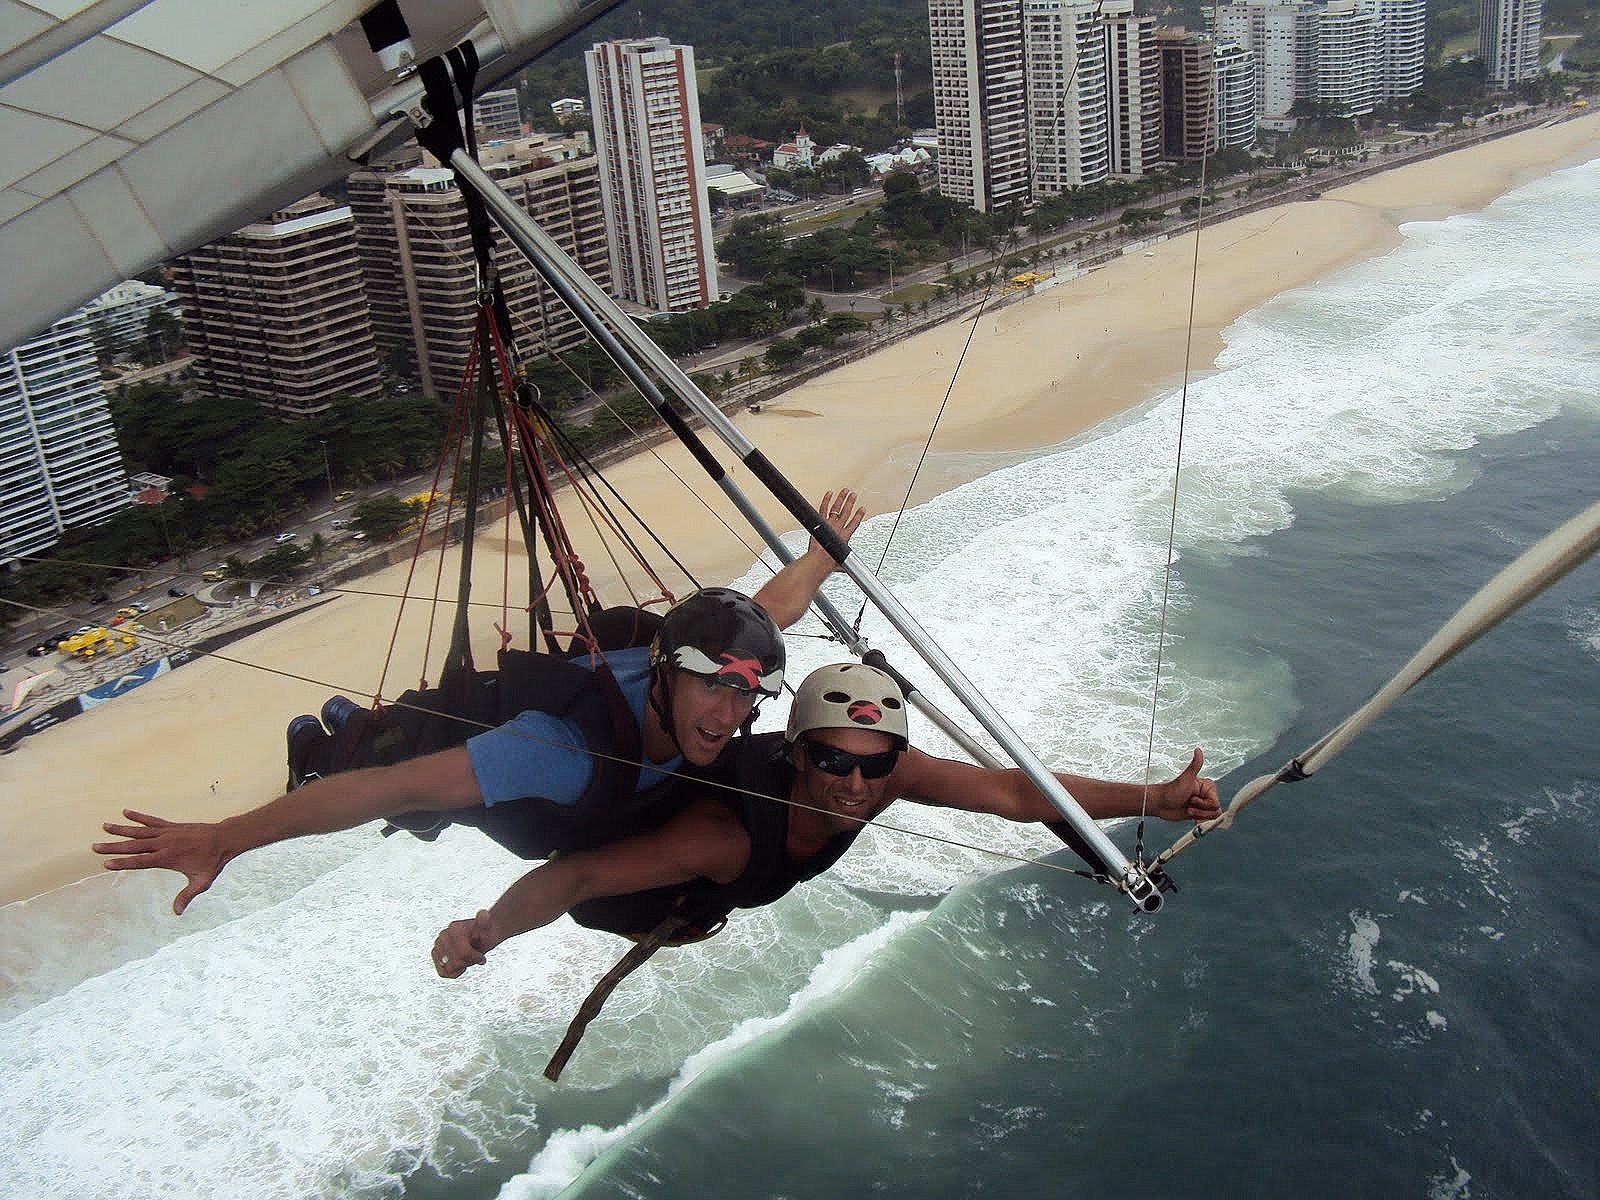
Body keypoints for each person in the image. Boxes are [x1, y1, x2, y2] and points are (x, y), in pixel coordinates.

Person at [92, 491, 867, 915]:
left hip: (509, 718)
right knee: (385, 762)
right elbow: (386, 793)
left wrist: (820, 555)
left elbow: (773, 606)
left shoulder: (709, 665)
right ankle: (320, 742)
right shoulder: (559, 753)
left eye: (749, 696)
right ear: (664, 668)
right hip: (496, 746)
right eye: (715, 688)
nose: (731, 716)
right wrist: (226, 838)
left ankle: (339, 724)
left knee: (407, 737)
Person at [428, 661, 1223, 978]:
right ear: (798, 753)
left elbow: (1017, 794)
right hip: (646, 891)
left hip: (724, 884)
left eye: (875, 763)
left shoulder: (887, 777)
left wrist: (1155, 797)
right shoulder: (721, 835)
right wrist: (484, 931)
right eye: (835, 760)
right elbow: (580, 876)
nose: (855, 782)